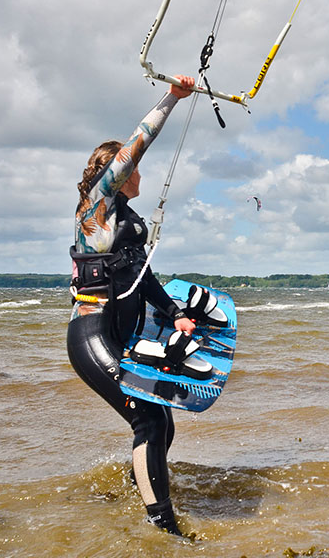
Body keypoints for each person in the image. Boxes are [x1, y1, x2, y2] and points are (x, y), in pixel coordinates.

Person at [66, 76, 197, 536]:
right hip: (92, 335)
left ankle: (133, 490)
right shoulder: (96, 209)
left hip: (120, 337)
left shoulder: (127, 220)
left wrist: (174, 313)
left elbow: (144, 278)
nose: (139, 175)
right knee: (149, 420)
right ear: (117, 172)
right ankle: (166, 531)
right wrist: (173, 98)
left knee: (162, 421)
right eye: (131, 170)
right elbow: (138, 144)